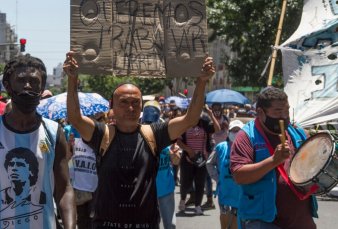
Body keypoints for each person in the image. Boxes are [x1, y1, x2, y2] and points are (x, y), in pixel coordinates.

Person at [63, 51, 215, 228]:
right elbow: (75, 118)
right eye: (124, 102)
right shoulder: (102, 134)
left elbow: (190, 119)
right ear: (111, 106)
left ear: (142, 105)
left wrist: (202, 81)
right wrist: (72, 79)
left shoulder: (155, 133)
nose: (130, 107)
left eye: (136, 102)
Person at [0, 54, 75, 228]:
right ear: (7, 86)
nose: (27, 86)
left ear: (42, 88)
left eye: (34, 81)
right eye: (21, 80)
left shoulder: (54, 132)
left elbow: (64, 189)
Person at [230, 86, 318, 229]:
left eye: (287, 110)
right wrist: (273, 161)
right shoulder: (246, 136)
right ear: (260, 112)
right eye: (278, 111)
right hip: (264, 222)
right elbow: (239, 176)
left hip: (301, 220)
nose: (284, 116)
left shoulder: (298, 133)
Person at [141, 101, 181, 229]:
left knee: (170, 225)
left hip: (166, 189)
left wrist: (175, 156)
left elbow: (176, 161)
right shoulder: (138, 131)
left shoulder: (166, 132)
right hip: (146, 191)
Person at [207, 119, 244, 229]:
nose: (236, 133)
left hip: (241, 194)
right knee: (226, 223)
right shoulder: (221, 147)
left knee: (239, 224)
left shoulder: (247, 148)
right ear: (229, 132)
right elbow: (209, 164)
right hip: (225, 193)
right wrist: (218, 179)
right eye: (233, 130)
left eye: (238, 130)